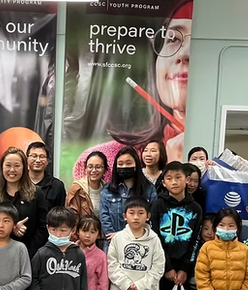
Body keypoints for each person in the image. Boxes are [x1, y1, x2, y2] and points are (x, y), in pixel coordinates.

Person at [72, 0, 193, 179]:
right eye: (173, 39)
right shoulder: (102, 160)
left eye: (198, 42)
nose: (184, 54)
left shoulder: (224, 167)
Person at [150, 161, 202, 290]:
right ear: (164, 182)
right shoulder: (157, 205)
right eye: (169, 178)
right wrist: (167, 268)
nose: (174, 182)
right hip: (162, 268)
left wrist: (185, 269)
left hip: (183, 270)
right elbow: (155, 238)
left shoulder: (196, 208)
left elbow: (196, 241)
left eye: (178, 178)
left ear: (187, 180)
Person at [0, 147, 51, 258]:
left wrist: (29, 253)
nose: (12, 170)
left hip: (30, 254)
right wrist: (10, 228)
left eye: (17, 166)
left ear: (24, 168)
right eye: (8, 165)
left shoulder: (37, 193)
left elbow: (43, 227)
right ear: (1, 167)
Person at [31, 207, 88, 290]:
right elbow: (32, 279)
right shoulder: (42, 254)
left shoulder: (78, 255)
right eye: (53, 230)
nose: (58, 234)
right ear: (47, 228)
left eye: (63, 230)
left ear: (72, 230)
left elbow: (83, 286)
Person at [100, 147, 158, 239]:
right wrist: (118, 238)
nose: (124, 167)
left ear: (136, 165)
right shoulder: (108, 189)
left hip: (140, 241)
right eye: (120, 164)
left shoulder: (149, 189)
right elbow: (104, 218)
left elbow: (152, 217)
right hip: (113, 242)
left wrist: (131, 236)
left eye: (128, 163)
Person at [66, 151, 108, 218]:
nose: (94, 170)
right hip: (83, 228)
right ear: (86, 168)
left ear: (105, 170)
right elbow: (72, 218)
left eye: (98, 167)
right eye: (90, 167)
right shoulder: (76, 189)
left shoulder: (108, 189)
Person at [28, 142, 67, 209]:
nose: (38, 160)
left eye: (42, 157)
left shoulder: (57, 185)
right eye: (34, 156)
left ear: (47, 161)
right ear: (27, 159)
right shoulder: (19, 182)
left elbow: (60, 214)